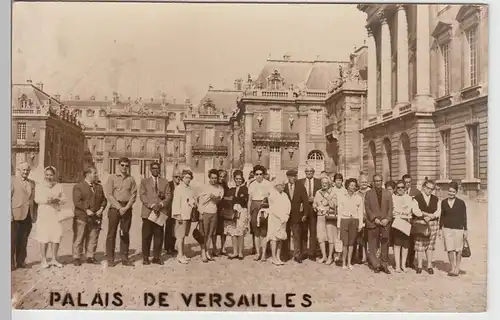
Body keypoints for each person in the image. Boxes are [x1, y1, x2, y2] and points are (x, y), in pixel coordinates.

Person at [103, 157, 137, 267]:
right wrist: (119, 208)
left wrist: (126, 207)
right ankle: (110, 258)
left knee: (125, 233)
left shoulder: (131, 179)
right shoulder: (112, 178)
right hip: (114, 209)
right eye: (122, 165)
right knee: (111, 234)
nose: (124, 167)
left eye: (126, 165)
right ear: (118, 165)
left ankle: (124, 257)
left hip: (126, 209)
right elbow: (109, 194)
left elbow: (134, 195)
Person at [72, 166, 107, 266]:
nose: (96, 175)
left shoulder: (99, 187)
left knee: (93, 236)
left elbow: (104, 200)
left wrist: (101, 209)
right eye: (94, 173)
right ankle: (76, 257)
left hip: (96, 216)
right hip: (82, 217)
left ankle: (90, 256)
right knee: (79, 236)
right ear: (87, 174)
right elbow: (77, 201)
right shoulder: (78, 186)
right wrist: (86, 210)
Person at [34, 166, 67, 268]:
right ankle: (44, 260)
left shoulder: (59, 186)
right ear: (44, 175)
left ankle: (54, 259)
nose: (49, 177)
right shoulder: (39, 186)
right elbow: (36, 199)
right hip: (44, 214)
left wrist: (58, 200)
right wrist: (47, 200)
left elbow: (65, 199)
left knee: (56, 236)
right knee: (44, 236)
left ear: (54, 175)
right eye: (47, 175)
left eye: (51, 175)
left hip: (55, 214)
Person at [139, 162, 172, 265]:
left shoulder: (165, 182)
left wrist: (161, 205)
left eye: (157, 168)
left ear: (159, 170)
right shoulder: (144, 182)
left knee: (159, 235)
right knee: (146, 236)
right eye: (153, 168)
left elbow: (168, 196)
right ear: (150, 170)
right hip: (148, 212)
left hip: (161, 212)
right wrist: (152, 205)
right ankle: (145, 257)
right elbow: (142, 195)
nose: (156, 170)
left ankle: (157, 257)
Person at [364, 174, 393, 274]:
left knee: (385, 244)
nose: (378, 183)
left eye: (379, 181)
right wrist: (374, 218)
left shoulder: (387, 193)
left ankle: (384, 264)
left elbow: (390, 208)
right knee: (372, 244)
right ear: (373, 182)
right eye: (376, 181)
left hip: (385, 223)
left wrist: (387, 219)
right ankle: (375, 265)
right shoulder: (368, 193)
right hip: (373, 222)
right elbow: (367, 208)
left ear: (382, 181)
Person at [391, 180, 421, 273]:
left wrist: (423, 214)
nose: (400, 189)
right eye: (398, 187)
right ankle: (397, 266)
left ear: (405, 188)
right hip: (397, 222)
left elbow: (414, 210)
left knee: (405, 245)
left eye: (402, 187)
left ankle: (403, 264)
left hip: (407, 223)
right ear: (396, 188)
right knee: (397, 245)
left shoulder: (410, 198)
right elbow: (392, 211)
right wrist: (402, 212)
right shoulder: (393, 198)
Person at [11, 162, 37, 270]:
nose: (26, 172)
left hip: (28, 215)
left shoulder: (32, 183)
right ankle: (11, 263)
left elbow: (34, 200)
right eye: (24, 170)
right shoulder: (12, 181)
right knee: (12, 240)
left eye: (27, 170)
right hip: (16, 215)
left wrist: (34, 215)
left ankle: (21, 261)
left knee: (23, 240)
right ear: (19, 170)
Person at [439, 182, 468, 277]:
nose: (451, 193)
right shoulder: (443, 202)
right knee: (449, 249)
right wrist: (440, 228)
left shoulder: (461, 203)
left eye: (453, 192)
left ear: (456, 192)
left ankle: (457, 268)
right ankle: (452, 267)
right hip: (447, 228)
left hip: (458, 228)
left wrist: (465, 230)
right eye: (450, 191)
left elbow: (464, 217)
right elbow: (442, 216)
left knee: (458, 249)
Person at [413, 179, 441, 275]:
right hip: (421, 222)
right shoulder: (417, 198)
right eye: (428, 188)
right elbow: (415, 210)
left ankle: (429, 265)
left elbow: (438, 211)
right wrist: (424, 215)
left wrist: (432, 216)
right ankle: (420, 265)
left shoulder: (436, 199)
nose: (429, 190)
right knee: (420, 244)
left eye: (432, 189)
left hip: (433, 223)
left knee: (430, 245)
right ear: (424, 187)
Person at [282, 169, 310, 263]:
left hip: (297, 215)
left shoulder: (300, 187)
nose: (293, 178)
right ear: (288, 177)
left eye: (295, 176)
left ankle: (297, 254)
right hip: (285, 215)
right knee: (285, 235)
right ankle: (285, 254)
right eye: (291, 176)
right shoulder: (284, 187)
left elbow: (305, 202)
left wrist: (305, 214)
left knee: (296, 235)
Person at [197, 169, 224, 263]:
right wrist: (200, 213)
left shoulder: (220, 188)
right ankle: (203, 252)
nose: (214, 180)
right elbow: (200, 202)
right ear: (209, 178)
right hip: (204, 212)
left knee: (210, 233)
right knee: (203, 233)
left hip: (214, 212)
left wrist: (213, 197)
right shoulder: (204, 187)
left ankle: (208, 251)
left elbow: (218, 201)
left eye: (215, 178)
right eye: (212, 178)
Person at [247, 165, 273, 261]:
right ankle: (258, 253)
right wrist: (248, 213)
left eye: (260, 174)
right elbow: (249, 200)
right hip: (254, 207)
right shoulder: (252, 185)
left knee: (264, 232)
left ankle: (264, 254)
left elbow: (271, 198)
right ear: (254, 175)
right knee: (256, 232)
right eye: (256, 174)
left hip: (264, 208)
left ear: (264, 175)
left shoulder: (268, 184)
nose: (258, 176)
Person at [337, 178, 364, 270]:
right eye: (351, 185)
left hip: (354, 221)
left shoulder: (359, 198)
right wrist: (338, 225)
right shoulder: (342, 197)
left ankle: (349, 262)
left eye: (354, 185)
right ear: (347, 186)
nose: (353, 187)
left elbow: (360, 212)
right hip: (344, 220)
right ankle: (344, 262)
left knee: (351, 243)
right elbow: (339, 211)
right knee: (345, 243)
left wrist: (360, 224)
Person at [171, 169, 196, 264]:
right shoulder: (179, 188)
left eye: (190, 177)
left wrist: (193, 203)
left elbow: (190, 199)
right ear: (182, 178)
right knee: (180, 236)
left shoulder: (189, 188)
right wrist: (178, 215)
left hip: (187, 215)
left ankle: (182, 253)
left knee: (184, 235)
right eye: (186, 177)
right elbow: (176, 202)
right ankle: (180, 255)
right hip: (181, 215)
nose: (188, 179)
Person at [265, 175, 291, 266]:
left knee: (280, 238)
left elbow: (288, 206)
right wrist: (281, 217)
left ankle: (278, 256)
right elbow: (273, 208)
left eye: (284, 185)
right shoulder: (272, 194)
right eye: (282, 185)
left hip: (283, 219)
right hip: (275, 219)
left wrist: (286, 216)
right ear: (276, 185)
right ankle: (273, 257)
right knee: (274, 238)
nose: (283, 187)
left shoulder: (285, 195)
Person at [224, 170, 249, 260]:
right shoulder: (232, 189)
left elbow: (243, 200)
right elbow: (226, 199)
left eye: (240, 179)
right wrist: (234, 199)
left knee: (240, 231)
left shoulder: (245, 188)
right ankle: (235, 252)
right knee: (233, 232)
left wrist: (233, 198)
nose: (238, 180)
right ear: (234, 179)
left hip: (242, 211)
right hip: (232, 212)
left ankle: (240, 252)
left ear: (242, 179)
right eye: (236, 179)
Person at [298, 166, 321, 261]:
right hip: (303, 209)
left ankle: (312, 252)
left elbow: (321, 194)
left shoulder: (318, 182)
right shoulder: (300, 182)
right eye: (307, 171)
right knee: (303, 231)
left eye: (311, 171)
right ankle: (303, 252)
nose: (309, 172)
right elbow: (297, 195)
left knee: (313, 231)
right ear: (305, 172)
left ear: (314, 172)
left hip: (314, 209)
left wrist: (315, 198)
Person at [313, 177, 337, 265]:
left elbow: (334, 205)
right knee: (321, 237)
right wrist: (315, 207)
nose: (324, 184)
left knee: (330, 237)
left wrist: (328, 197)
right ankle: (324, 256)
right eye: (323, 183)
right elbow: (314, 203)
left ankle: (330, 257)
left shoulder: (333, 192)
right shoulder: (318, 192)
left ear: (329, 184)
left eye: (326, 183)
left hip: (329, 217)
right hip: (320, 217)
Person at [402, 174, 420, 269]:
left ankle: (411, 261)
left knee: (412, 241)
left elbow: (419, 206)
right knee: (402, 240)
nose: (407, 184)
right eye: (406, 182)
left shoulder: (416, 192)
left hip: (412, 220)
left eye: (409, 182)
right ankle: (402, 261)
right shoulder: (399, 191)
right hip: (402, 219)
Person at [352, 173, 370, 265]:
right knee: (358, 238)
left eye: (365, 182)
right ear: (359, 183)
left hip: (369, 218)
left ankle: (368, 256)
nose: (364, 183)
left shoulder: (371, 192)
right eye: (362, 182)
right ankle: (359, 256)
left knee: (367, 238)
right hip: (358, 218)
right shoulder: (356, 193)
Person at [164, 170, 181, 254]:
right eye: (176, 177)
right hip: (169, 210)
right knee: (169, 228)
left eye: (179, 177)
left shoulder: (181, 185)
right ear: (173, 177)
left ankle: (173, 246)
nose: (178, 178)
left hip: (178, 210)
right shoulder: (168, 184)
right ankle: (167, 247)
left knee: (176, 229)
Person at [213, 169, 229, 256]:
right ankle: (214, 247)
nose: (222, 178)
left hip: (224, 210)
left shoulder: (226, 188)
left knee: (223, 230)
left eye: (224, 176)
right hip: (215, 209)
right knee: (215, 230)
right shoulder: (215, 186)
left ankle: (223, 247)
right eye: (220, 176)